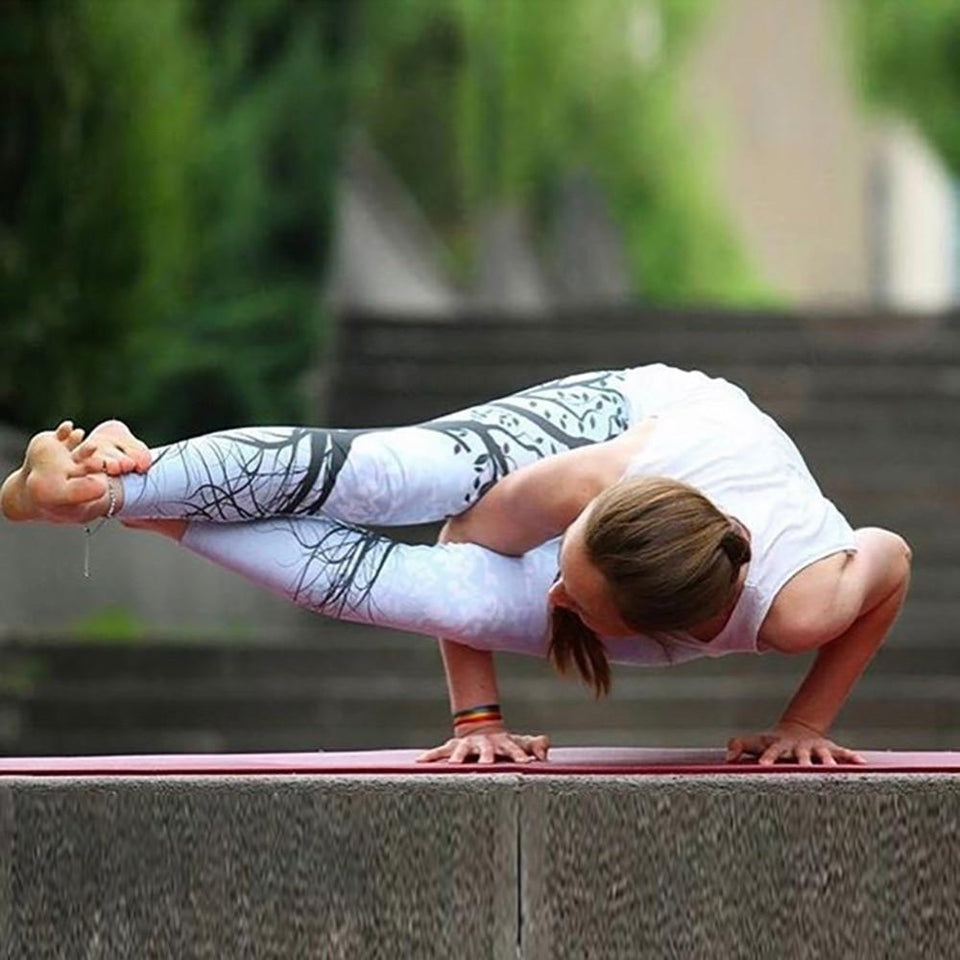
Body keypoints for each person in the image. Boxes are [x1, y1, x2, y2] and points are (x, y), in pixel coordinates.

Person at [1, 365, 912, 766]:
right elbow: (468, 530)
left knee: (412, 594)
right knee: (403, 471)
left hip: (678, 568)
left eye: (579, 599)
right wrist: (478, 716)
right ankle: (105, 482)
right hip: (633, 415)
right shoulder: (597, 478)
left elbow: (893, 562)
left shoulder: (800, 608)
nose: (554, 583)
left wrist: (805, 721)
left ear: (642, 627)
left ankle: (115, 495)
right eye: (568, 565)